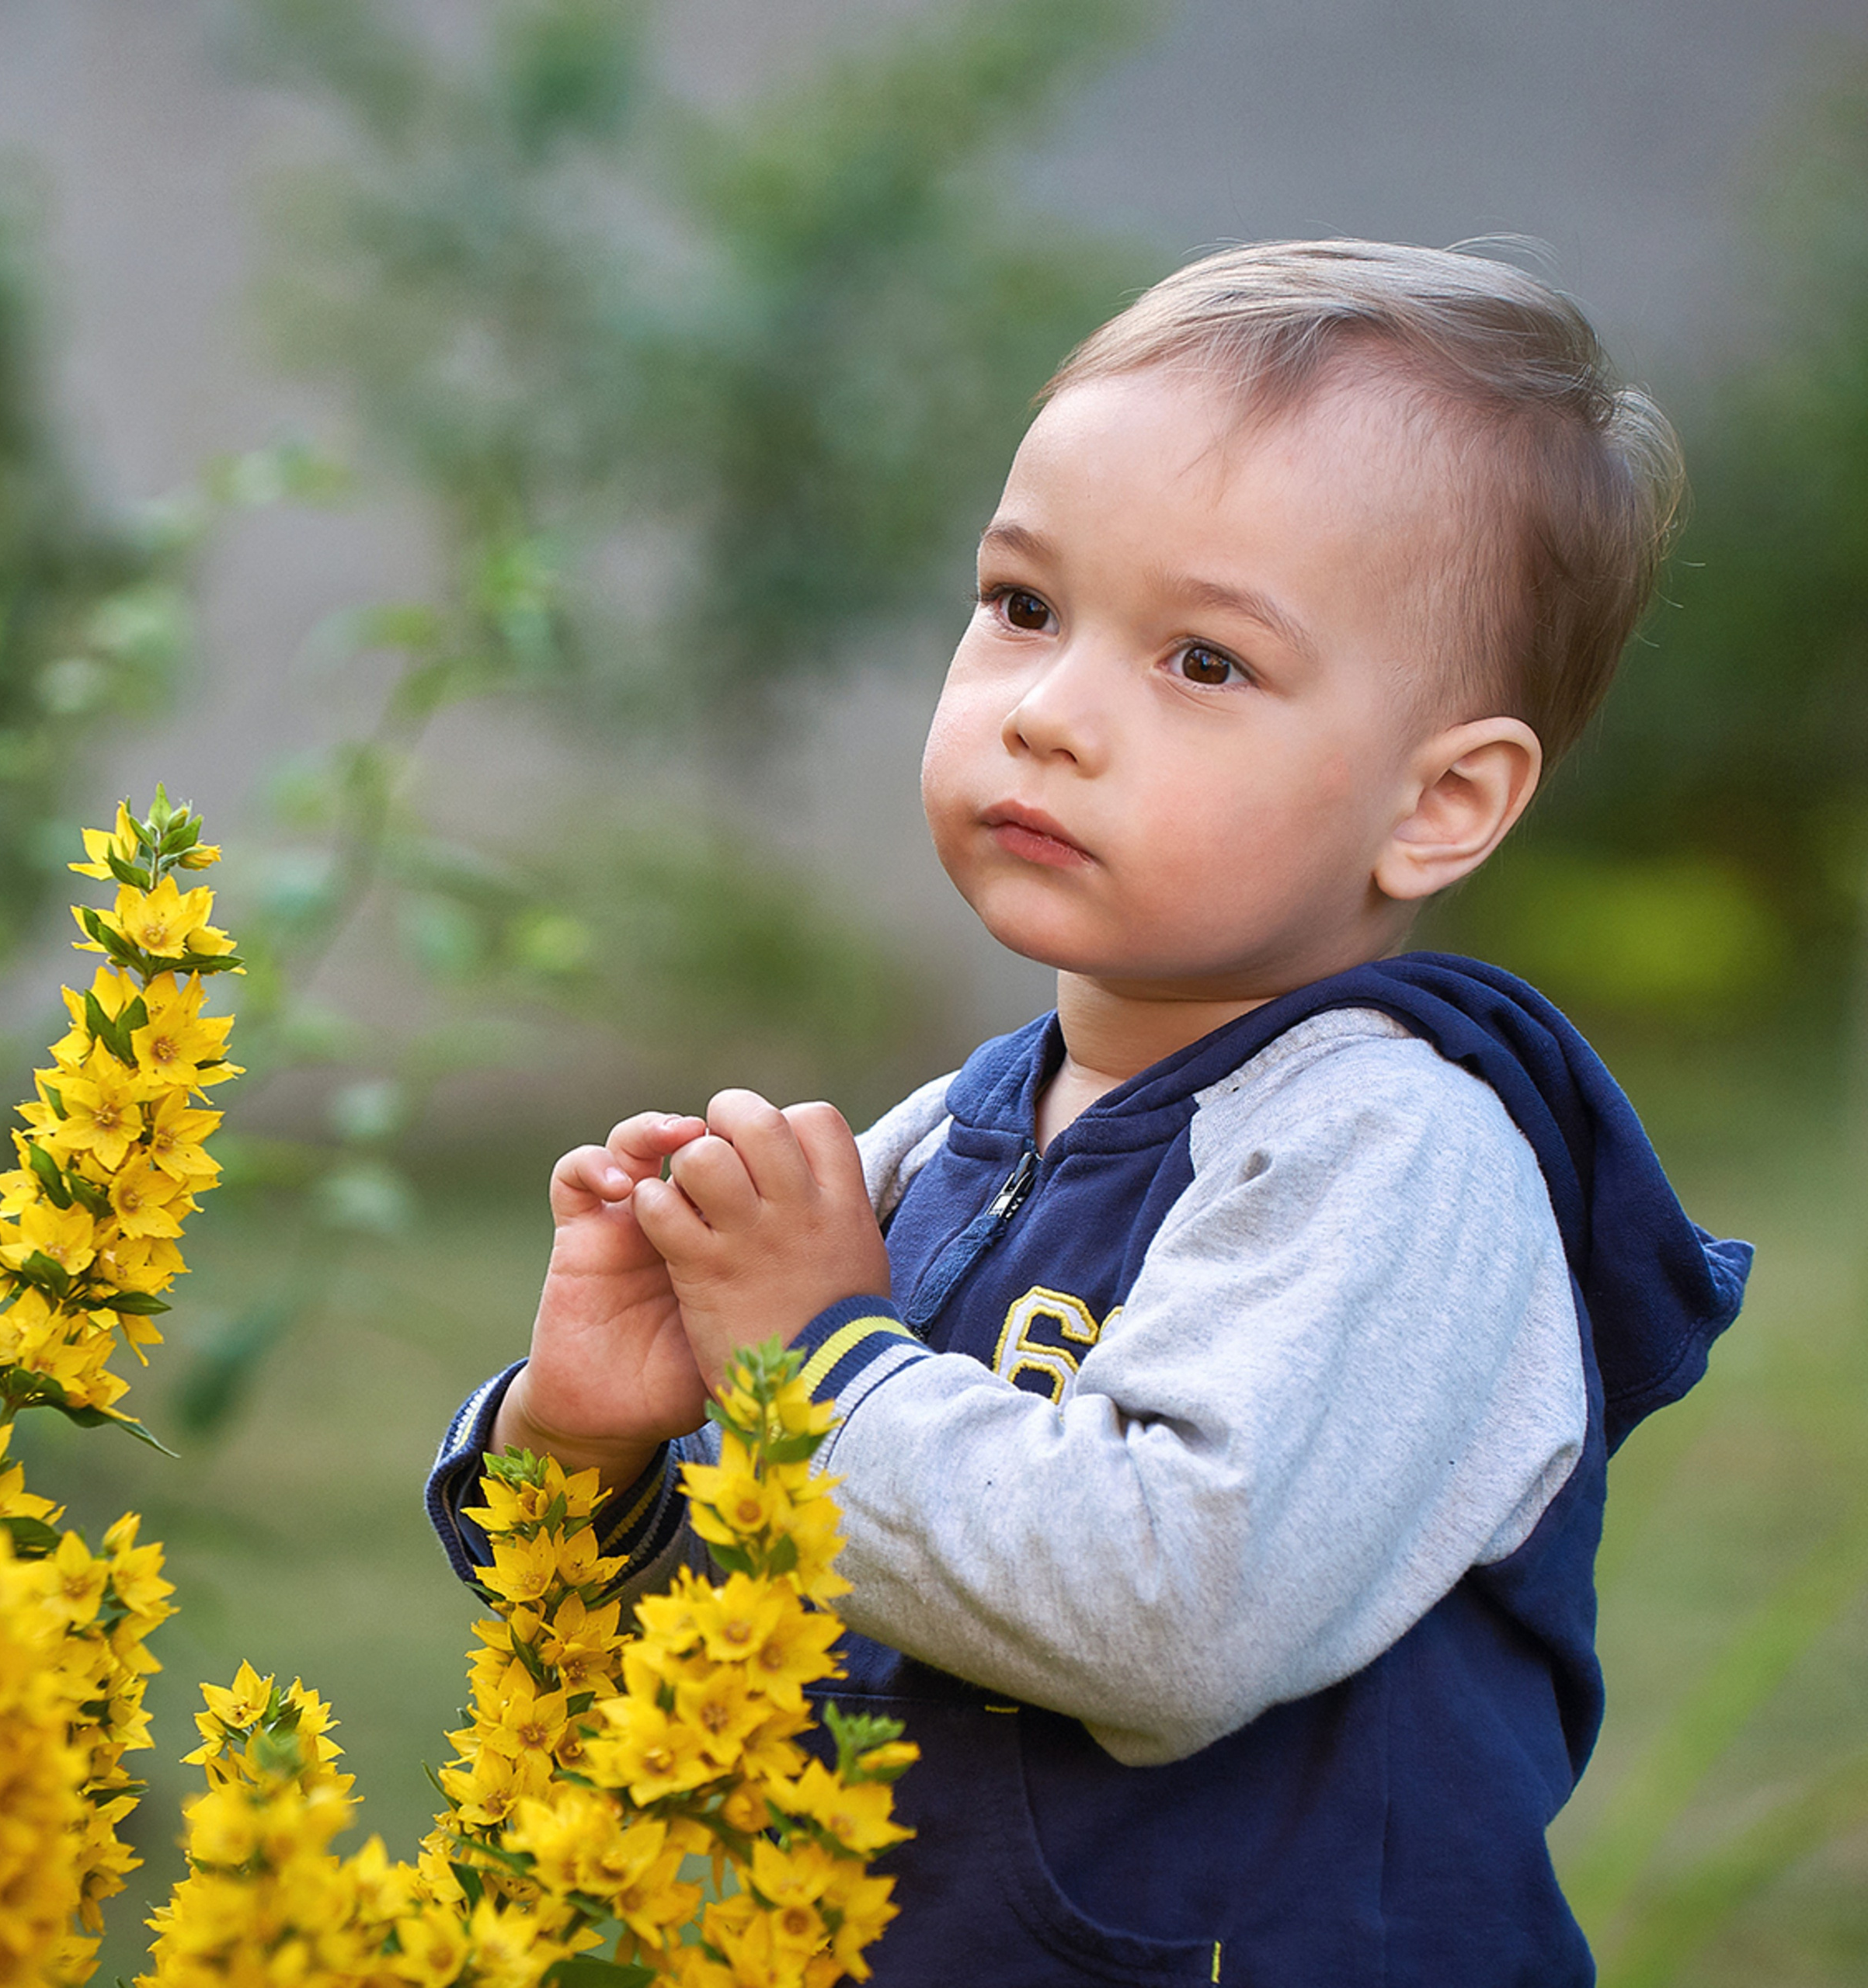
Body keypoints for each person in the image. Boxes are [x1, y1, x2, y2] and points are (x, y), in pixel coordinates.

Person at [426, 241, 1751, 1986]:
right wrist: (595, 1456)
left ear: (1437, 803)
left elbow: (1166, 1612)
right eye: (1022, 606)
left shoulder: (1395, 1158)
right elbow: (803, 1619)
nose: (1046, 714)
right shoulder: (947, 1135)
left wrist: (811, 1360)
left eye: (1202, 661)